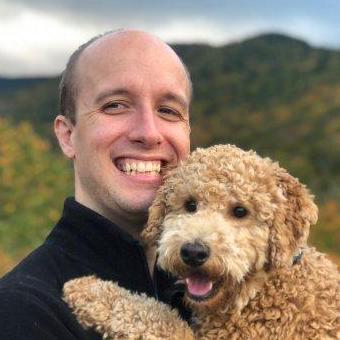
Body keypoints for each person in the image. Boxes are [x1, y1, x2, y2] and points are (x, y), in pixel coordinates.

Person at [0, 29, 192, 339]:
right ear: (67, 136)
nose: (149, 132)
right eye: (115, 105)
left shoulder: (213, 291)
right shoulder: (23, 311)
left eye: (168, 111)